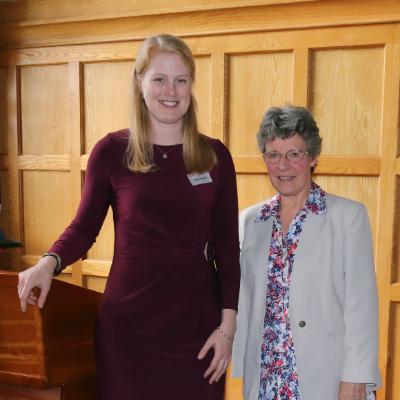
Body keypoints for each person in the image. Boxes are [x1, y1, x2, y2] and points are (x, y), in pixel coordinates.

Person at [18, 34, 240, 400]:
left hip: (198, 327)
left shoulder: (215, 156)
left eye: (181, 79)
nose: (171, 90)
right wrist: (49, 261)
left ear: (191, 86)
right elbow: (83, 228)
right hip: (129, 329)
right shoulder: (111, 151)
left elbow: (229, 249)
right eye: (159, 79)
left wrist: (227, 329)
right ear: (139, 82)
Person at [232, 105, 380, 400]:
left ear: (313, 157)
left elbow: (361, 304)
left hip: (326, 374)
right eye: (273, 155)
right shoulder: (250, 221)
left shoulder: (347, 217)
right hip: (266, 376)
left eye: (294, 154)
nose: (283, 165)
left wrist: (356, 376)